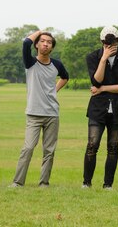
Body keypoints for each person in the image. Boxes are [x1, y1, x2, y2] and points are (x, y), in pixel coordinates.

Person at [10, 30, 69, 188]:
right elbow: (25, 43)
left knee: (49, 150)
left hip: (52, 114)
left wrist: (54, 90)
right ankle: (17, 182)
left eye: (49, 42)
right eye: (42, 41)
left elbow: (65, 77)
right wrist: (40, 32)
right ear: (37, 44)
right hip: (34, 114)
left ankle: (44, 183)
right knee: (28, 147)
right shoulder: (30, 62)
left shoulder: (57, 64)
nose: (45, 44)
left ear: (51, 47)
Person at [83, 26, 118, 190]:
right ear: (101, 41)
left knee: (113, 147)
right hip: (97, 109)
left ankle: (108, 184)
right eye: (106, 42)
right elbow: (96, 81)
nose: (109, 44)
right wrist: (103, 59)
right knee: (92, 145)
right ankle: (87, 182)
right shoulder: (93, 57)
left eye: (112, 41)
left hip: (117, 109)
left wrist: (104, 89)